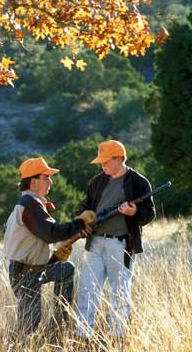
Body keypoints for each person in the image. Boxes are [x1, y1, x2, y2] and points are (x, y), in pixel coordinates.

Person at [4, 157, 94, 342]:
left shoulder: (32, 203)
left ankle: (60, 326)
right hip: (26, 274)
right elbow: (51, 234)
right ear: (33, 181)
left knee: (66, 269)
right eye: (46, 177)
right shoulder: (29, 204)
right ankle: (16, 344)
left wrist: (57, 253)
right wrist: (79, 223)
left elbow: (38, 243)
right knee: (29, 325)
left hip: (34, 268)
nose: (51, 181)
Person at [75, 140, 156, 341]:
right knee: (87, 290)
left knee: (120, 293)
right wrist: (85, 217)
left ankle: (116, 338)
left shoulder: (138, 182)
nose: (102, 165)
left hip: (121, 244)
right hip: (94, 244)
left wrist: (134, 211)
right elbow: (82, 206)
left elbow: (149, 214)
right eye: (101, 161)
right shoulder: (97, 181)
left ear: (119, 158)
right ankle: (82, 338)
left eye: (106, 161)